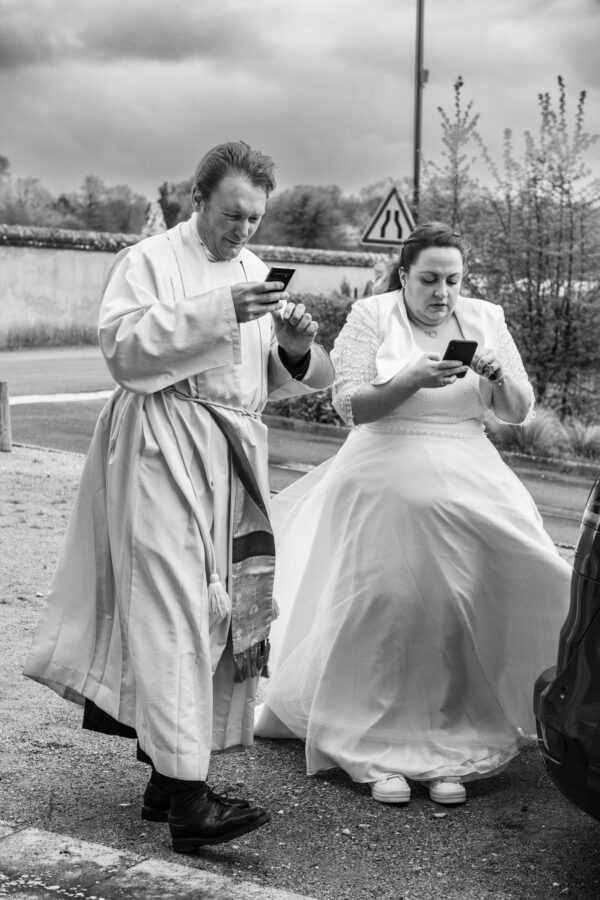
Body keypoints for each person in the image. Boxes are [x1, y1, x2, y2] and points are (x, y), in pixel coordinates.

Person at [23, 141, 334, 852]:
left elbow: (289, 378)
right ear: (197, 198)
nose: (244, 231)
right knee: (170, 609)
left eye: (255, 218)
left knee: (220, 614)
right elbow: (123, 349)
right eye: (232, 215)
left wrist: (289, 345)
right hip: (163, 443)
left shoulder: (257, 270)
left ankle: (167, 780)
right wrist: (219, 309)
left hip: (232, 455)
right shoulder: (151, 261)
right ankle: (191, 803)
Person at [255, 222, 571, 807]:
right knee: (390, 606)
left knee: (467, 602)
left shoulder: (486, 318)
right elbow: (350, 404)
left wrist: (497, 377)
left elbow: (520, 413)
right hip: (383, 470)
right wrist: (408, 380)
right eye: (429, 279)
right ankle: (374, 744)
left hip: (470, 471)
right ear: (404, 275)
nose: (443, 292)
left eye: (453, 280)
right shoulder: (372, 315)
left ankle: (450, 740)